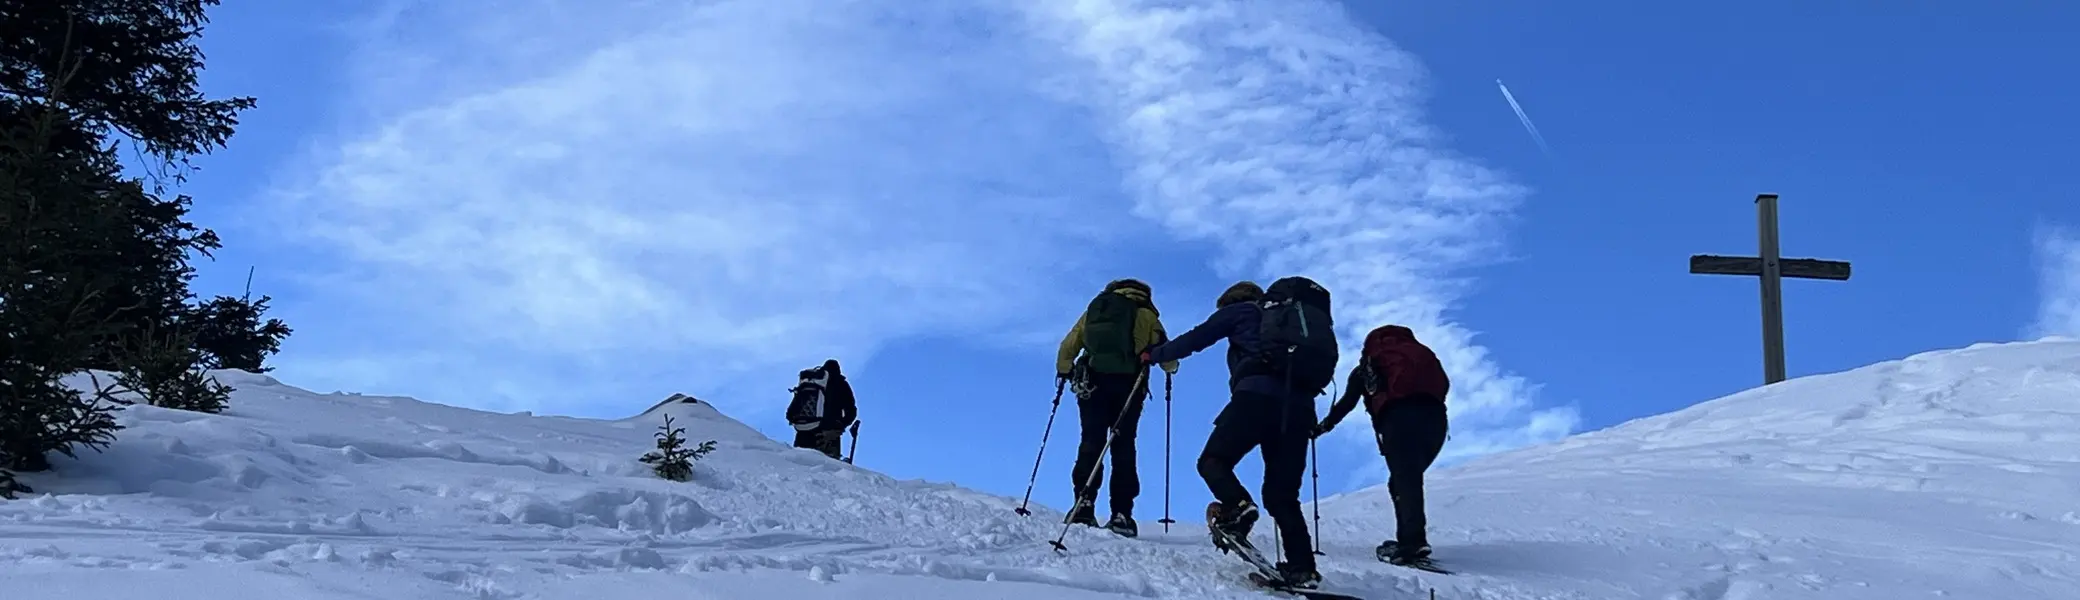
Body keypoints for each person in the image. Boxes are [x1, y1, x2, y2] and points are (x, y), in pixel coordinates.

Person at [1140, 277, 1337, 588]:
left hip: (1256, 398)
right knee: (1283, 495)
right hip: (1299, 409)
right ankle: (1303, 568)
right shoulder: (1289, 323)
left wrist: (1155, 355)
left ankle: (1237, 506)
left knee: (1213, 461)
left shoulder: (1241, 311)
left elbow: (1197, 337)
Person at [1316, 324, 1450, 565]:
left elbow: (1346, 403)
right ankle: (1409, 540)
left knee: (1404, 479)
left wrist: (1323, 427)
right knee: (1404, 480)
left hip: (1398, 419)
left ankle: (1413, 543)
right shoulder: (1420, 356)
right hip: (1436, 419)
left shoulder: (1368, 368)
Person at [1056, 278, 1178, 537]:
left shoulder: (1095, 310)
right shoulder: (1146, 315)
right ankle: (1122, 514)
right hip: (1129, 386)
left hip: (1092, 385)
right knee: (1123, 445)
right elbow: (1166, 354)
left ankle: (1083, 504)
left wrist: (1064, 369)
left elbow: (1069, 345)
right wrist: (1172, 368)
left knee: (1091, 440)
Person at [786, 359, 857, 461]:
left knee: (800, 463)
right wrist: (841, 425)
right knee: (827, 466)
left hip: (803, 429)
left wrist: (793, 418)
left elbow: (793, 408)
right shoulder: (841, 383)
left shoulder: (810, 381)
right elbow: (851, 410)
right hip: (828, 432)